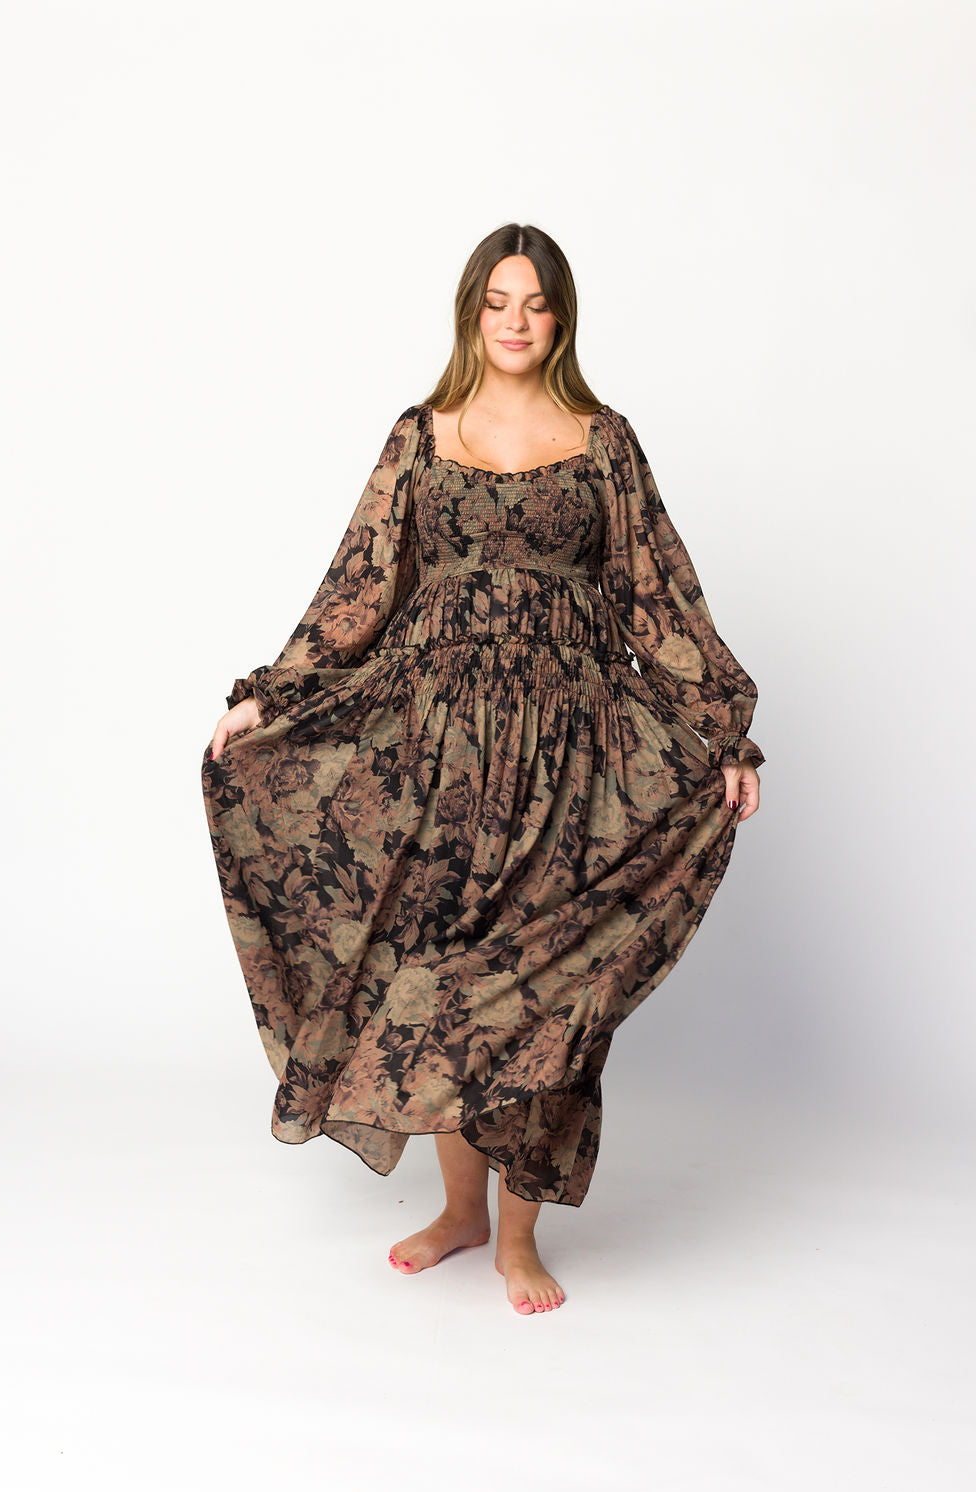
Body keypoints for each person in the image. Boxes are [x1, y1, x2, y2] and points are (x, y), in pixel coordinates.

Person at [201, 223, 765, 1317]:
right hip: (435, 754)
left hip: (573, 756)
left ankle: (518, 1237)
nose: (516, 321)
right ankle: (459, 1211)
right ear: (471, 312)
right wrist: (271, 693)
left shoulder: (603, 441)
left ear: (561, 318)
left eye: (536, 303)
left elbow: (659, 594)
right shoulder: (422, 435)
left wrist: (725, 736)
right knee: (437, 976)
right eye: (498, 301)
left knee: (542, 993)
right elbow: (360, 584)